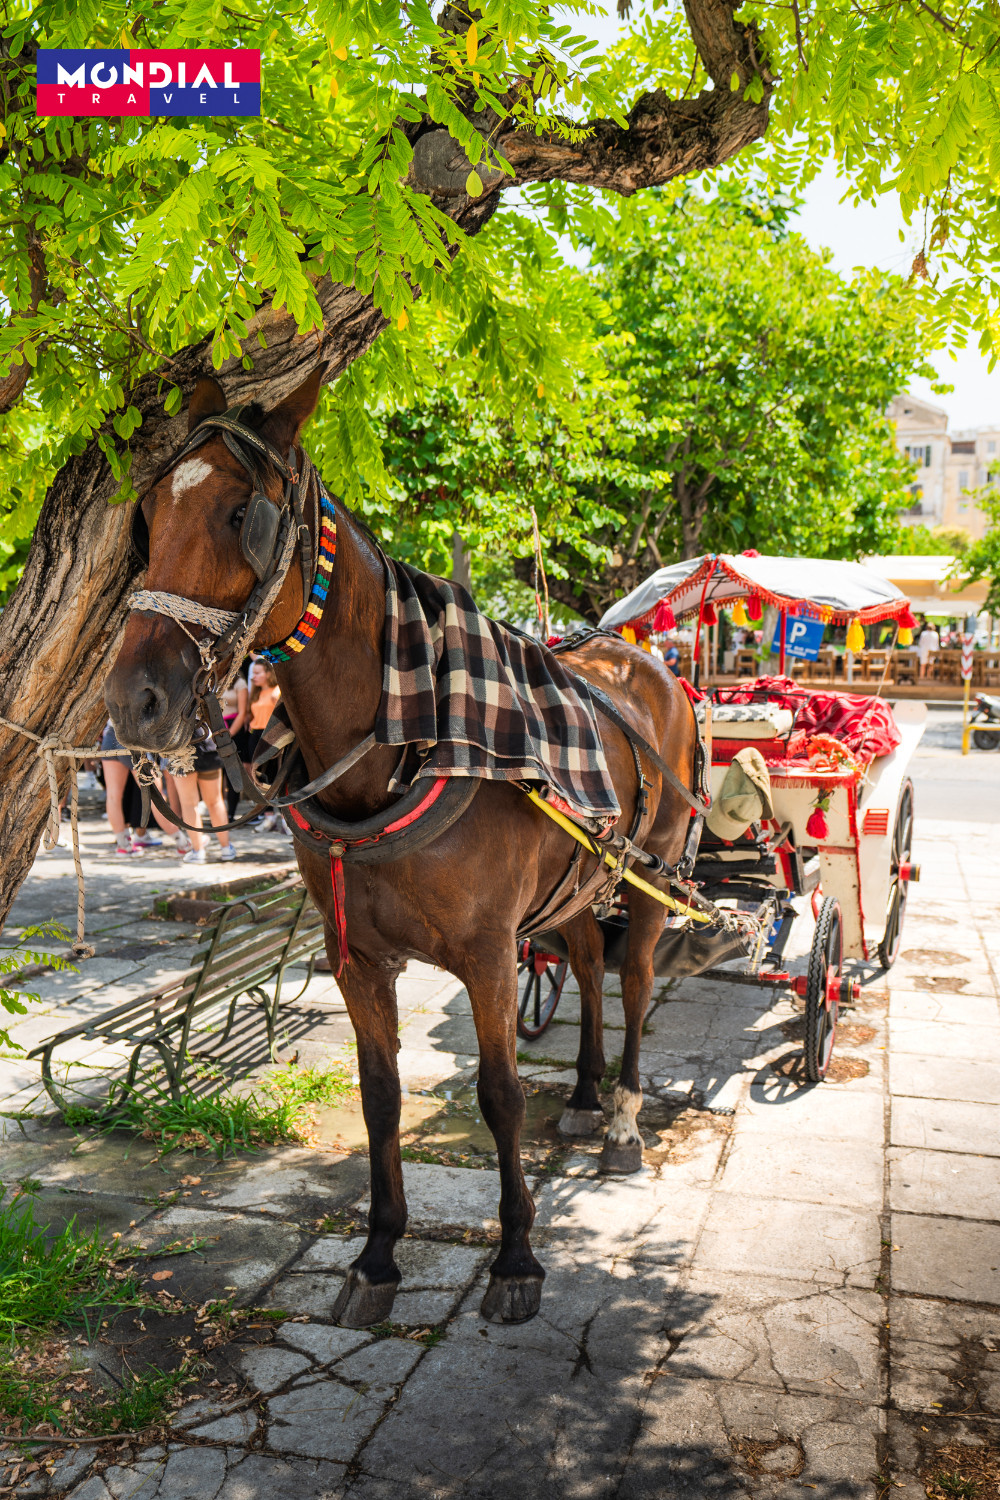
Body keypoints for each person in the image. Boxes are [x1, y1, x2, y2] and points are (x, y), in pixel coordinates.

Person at [99, 722, 179, 856]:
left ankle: (123, 845)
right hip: (134, 736)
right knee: (156, 795)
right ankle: (182, 842)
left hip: (111, 733)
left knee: (113, 796)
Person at [171, 735, 236, 864]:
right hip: (207, 747)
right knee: (215, 801)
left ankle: (198, 851)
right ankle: (226, 848)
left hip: (180, 750)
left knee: (189, 804)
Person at [221, 667, 250, 819]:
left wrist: (230, 734)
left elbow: (242, 712)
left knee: (232, 774)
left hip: (234, 729)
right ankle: (219, 814)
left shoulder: (240, 683)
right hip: (217, 729)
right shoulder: (216, 682)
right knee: (217, 773)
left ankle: (230, 813)